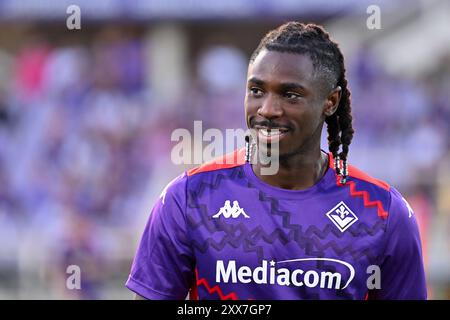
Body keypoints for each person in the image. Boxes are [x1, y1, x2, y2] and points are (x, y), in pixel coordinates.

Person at [125, 22, 427, 300]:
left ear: (330, 102)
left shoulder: (384, 213)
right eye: (256, 91)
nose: (267, 109)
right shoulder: (188, 198)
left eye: (290, 95)